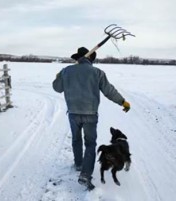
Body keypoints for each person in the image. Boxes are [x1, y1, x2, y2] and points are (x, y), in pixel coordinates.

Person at [52, 47, 130, 190]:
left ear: (78, 58)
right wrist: (122, 101)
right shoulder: (97, 72)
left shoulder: (67, 71)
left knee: (76, 139)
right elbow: (109, 91)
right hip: (90, 114)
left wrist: (59, 76)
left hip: (73, 113)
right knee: (90, 144)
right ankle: (85, 174)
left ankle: (78, 163)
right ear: (90, 59)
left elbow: (57, 88)